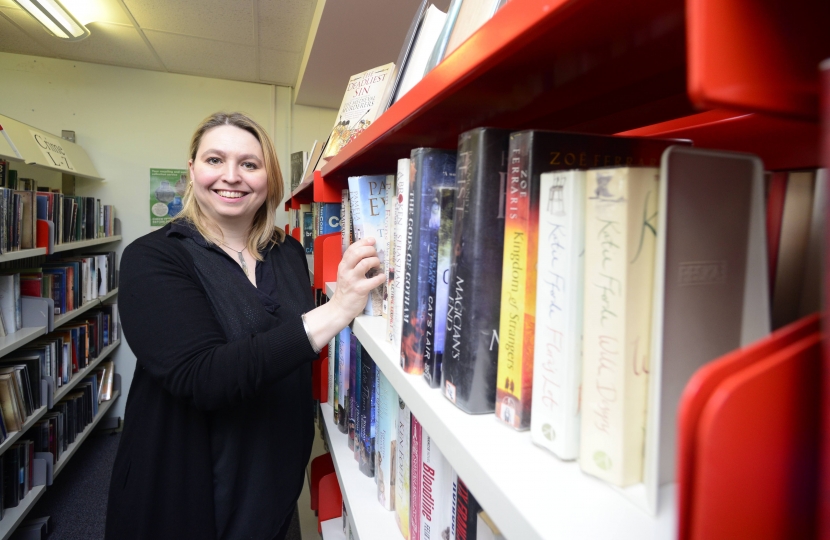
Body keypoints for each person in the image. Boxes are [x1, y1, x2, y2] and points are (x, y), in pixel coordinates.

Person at [105, 112, 385, 540]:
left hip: (271, 482)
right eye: (214, 160)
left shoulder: (287, 251)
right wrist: (338, 308)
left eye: (249, 164)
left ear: (269, 179)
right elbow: (203, 376)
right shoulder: (154, 258)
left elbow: (290, 349)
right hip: (186, 490)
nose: (231, 176)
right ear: (192, 171)